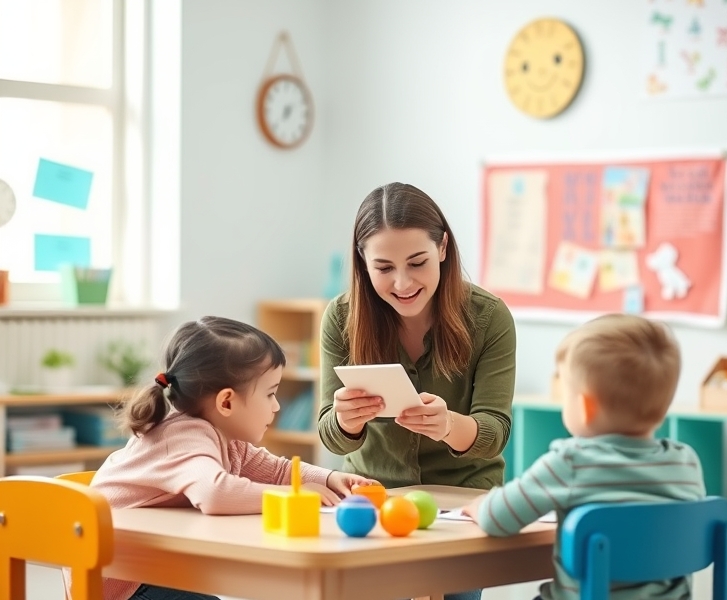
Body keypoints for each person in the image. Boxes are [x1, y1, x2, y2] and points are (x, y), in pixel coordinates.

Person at [79, 316, 375, 600]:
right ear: (227, 401)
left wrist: (328, 478)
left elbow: (276, 470)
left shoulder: (221, 436)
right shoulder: (184, 437)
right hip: (120, 584)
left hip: (141, 572)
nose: (276, 407)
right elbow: (215, 493)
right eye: (270, 394)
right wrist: (294, 495)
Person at [317, 182, 517, 600]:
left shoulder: (488, 317)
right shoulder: (340, 317)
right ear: (363, 261)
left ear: (443, 247)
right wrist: (344, 420)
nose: (403, 282)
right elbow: (329, 434)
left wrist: (448, 425)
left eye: (417, 262)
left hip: (462, 504)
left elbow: (494, 432)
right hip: (374, 499)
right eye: (384, 268)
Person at [462, 314, 706, 600]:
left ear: (585, 406)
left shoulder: (572, 462)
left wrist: (478, 505)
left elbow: (498, 518)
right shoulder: (685, 462)